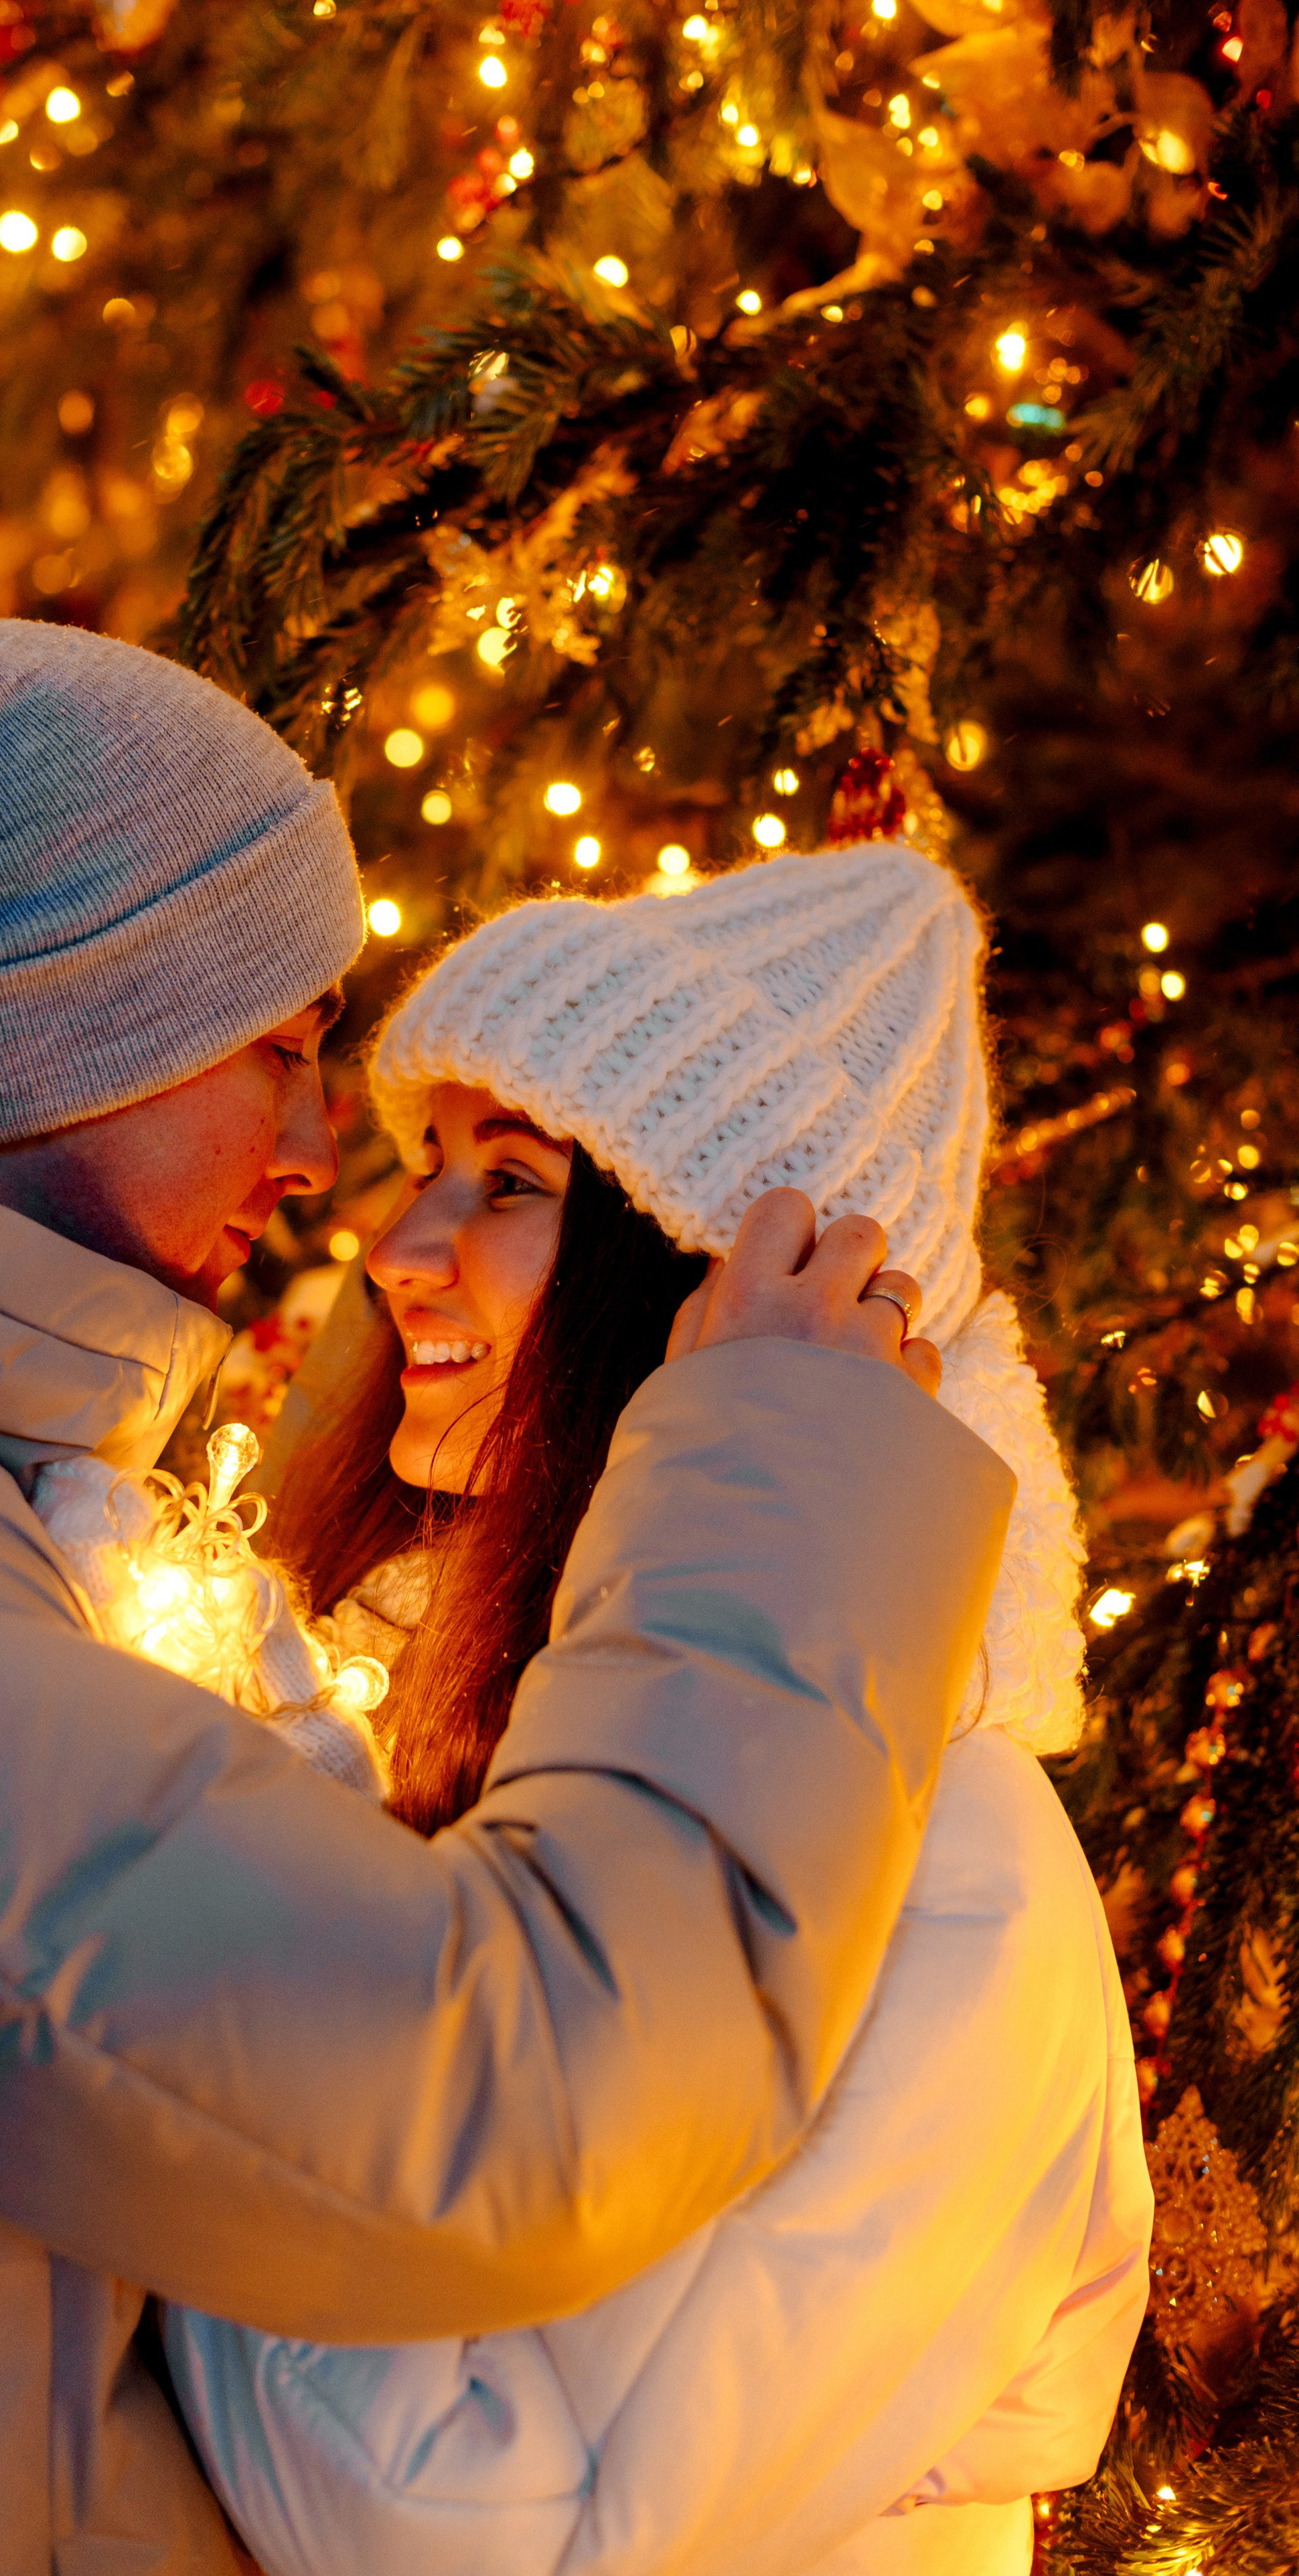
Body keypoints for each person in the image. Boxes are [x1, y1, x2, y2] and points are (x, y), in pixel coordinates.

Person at [0, 622, 1015, 2575]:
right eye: (282, 1052)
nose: (331, 1165)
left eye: (503, 1181)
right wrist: (786, 1477)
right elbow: (493, 2111)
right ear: (53, 1045)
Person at [164, 846, 1152, 2576]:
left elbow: (487, 2531)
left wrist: (166, 2025)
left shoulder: (952, 1868)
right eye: (423, 1169)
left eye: (514, 1183)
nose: (399, 1248)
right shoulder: (433, 1714)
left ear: (710, 1286)